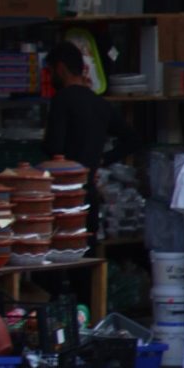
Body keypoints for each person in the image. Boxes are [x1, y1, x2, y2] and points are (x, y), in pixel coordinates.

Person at [43, 39, 113, 230]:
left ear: (60, 69)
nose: (50, 78)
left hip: (64, 193)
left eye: (51, 72)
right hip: (89, 194)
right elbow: (132, 139)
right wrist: (102, 160)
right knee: (87, 242)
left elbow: (54, 146)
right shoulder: (100, 103)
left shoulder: (61, 100)